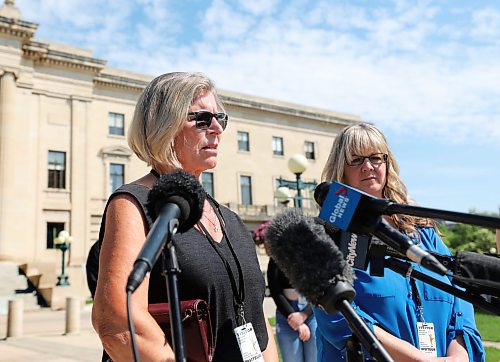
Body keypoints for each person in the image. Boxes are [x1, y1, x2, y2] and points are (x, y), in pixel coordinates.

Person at [91, 72, 278, 361]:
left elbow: (257, 320)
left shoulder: (230, 219)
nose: (216, 128)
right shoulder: (133, 204)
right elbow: (118, 323)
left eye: (221, 118)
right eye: (202, 118)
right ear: (164, 124)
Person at [315, 123, 485, 361]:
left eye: (375, 157)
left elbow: (459, 293)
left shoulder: (420, 229)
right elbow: (337, 318)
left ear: (387, 163)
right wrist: (420, 360)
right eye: (356, 159)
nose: (368, 166)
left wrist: (459, 355)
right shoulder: (329, 235)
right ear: (341, 168)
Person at [267, 256, 317, 362]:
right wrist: (292, 317)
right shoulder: (277, 253)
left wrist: (304, 314)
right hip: (286, 314)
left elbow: (321, 287)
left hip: (312, 313)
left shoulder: (314, 251)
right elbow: (275, 289)